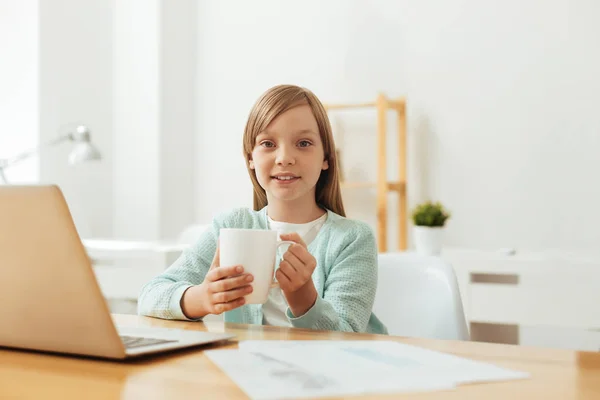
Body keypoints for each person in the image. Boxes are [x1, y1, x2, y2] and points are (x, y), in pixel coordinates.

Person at [138, 84, 388, 334]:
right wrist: (202, 298)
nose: (284, 158)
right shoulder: (231, 226)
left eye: (303, 143)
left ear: (326, 158)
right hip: (250, 366)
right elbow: (150, 295)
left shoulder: (352, 238)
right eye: (268, 143)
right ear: (250, 158)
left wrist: (304, 299)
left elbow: (349, 335)